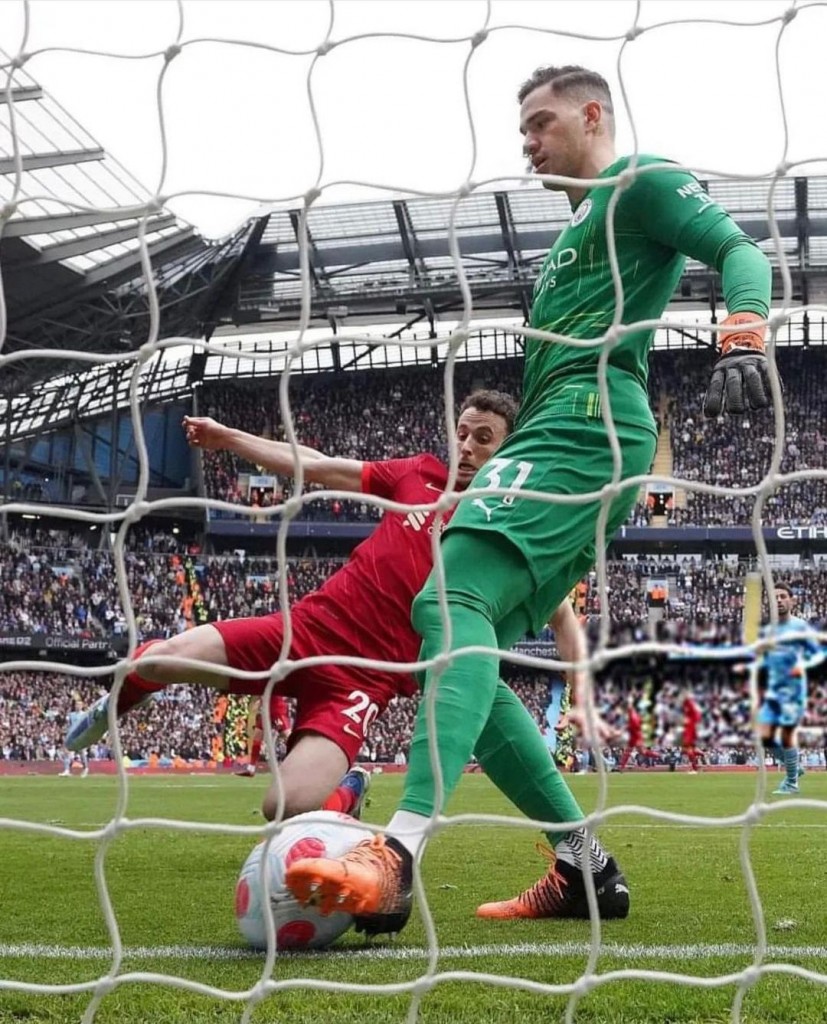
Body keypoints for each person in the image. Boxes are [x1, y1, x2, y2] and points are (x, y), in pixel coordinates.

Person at [285, 63, 774, 928]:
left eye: (541, 124)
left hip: (586, 422)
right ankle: (583, 866)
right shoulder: (571, 235)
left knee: (448, 596)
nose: (527, 143)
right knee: (460, 643)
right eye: (522, 131)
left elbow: (738, 246)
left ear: (592, 114)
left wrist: (741, 330)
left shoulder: (639, 180)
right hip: (558, 428)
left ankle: (394, 850)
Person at [67, 389, 628, 929]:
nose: (467, 446)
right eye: (462, 433)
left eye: (484, 438)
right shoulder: (416, 476)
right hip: (307, 630)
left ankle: (351, 792)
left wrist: (580, 689)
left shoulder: (503, 521)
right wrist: (228, 438)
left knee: (283, 807)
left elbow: (561, 615)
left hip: (362, 682)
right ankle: (125, 692)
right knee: (166, 659)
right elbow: (317, 464)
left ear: (506, 453)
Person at [756, 583, 823, 795]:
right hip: (773, 691)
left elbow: (820, 653)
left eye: (783, 596)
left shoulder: (800, 627)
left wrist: (802, 665)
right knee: (764, 737)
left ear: (792, 600)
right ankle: (794, 767)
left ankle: (792, 783)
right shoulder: (767, 631)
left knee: (786, 735)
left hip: (793, 691)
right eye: (775, 597)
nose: (779, 600)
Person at [235, 694, 291, 778]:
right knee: (257, 736)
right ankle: (251, 769)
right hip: (266, 710)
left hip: (276, 709)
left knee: (289, 738)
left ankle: (302, 764)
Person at [60, 698, 90, 777]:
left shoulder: (85, 714)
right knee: (67, 752)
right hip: (72, 735)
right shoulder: (71, 715)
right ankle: (67, 770)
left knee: (81, 752)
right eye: (77, 704)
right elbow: (69, 725)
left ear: (82, 706)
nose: (78, 706)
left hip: (80, 736)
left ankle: (86, 768)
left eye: (80, 705)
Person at [617, 693, 645, 772]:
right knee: (629, 751)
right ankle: (622, 767)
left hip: (636, 735)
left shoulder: (633, 712)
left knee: (641, 752)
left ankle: (622, 767)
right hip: (634, 734)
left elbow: (634, 723)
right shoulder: (631, 711)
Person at [682, 689, 703, 773]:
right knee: (690, 751)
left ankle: (694, 769)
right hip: (689, 730)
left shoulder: (691, 705)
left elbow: (697, 716)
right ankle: (701, 756)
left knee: (689, 750)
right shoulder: (688, 705)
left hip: (690, 731)